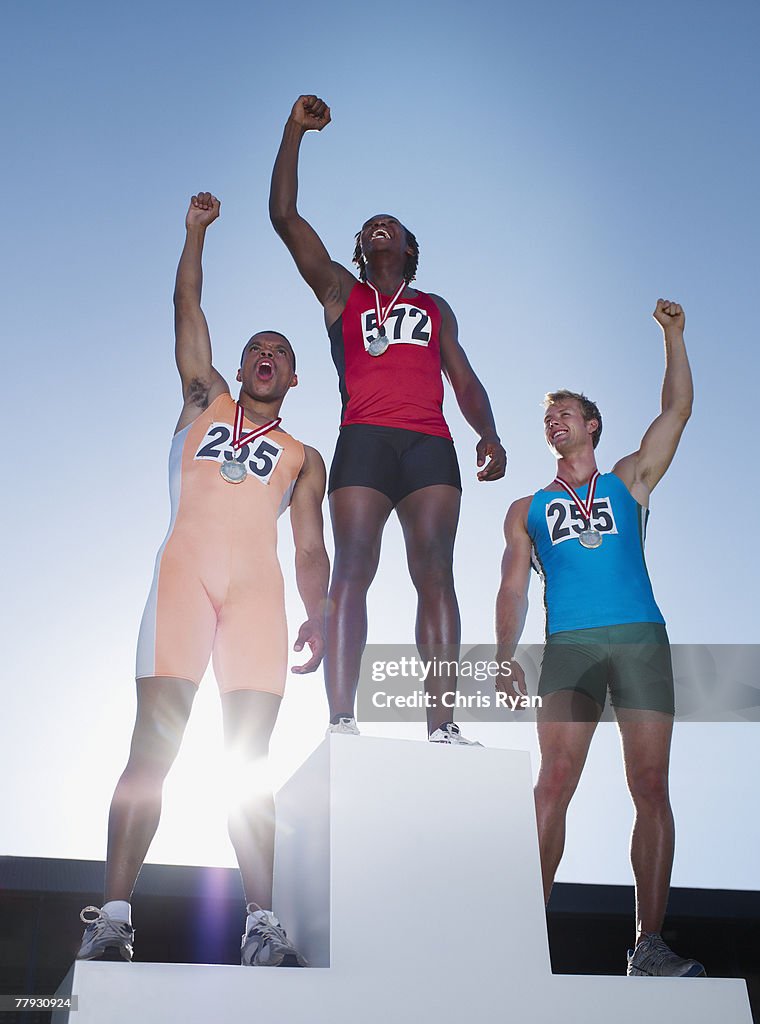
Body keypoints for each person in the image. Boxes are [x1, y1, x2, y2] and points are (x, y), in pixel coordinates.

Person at [76, 192, 329, 968]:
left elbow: (311, 547)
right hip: (184, 583)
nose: (264, 355)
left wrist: (317, 613)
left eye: (278, 351)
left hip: (257, 600)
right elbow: (186, 301)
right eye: (255, 345)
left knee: (248, 765)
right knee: (152, 750)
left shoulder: (304, 456)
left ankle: (259, 923)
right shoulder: (202, 399)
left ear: (293, 376)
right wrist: (194, 234)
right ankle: (113, 915)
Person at [270, 95, 506, 744]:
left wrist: (487, 431)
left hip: (430, 442)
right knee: (352, 567)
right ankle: (342, 721)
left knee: (435, 569)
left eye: (391, 225)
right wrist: (295, 130)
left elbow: (460, 374)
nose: (380, 227)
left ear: (407, 247)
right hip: (365, 439)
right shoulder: (339, 293)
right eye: (370, 224)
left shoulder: (433, 305)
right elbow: (283, 215)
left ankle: (443, 725)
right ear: (359, 247)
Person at [495, 300, 703, 976]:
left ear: (590, 425)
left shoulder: (627, 479)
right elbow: (512, 588)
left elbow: (674, 413)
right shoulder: (525, 507)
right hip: (570, 648)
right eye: (545, 416)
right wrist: (503, 658)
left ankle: (647, 945)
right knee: (553, 781)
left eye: (565, 412)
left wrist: (671, 336)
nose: (553, 420)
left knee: (649, 783)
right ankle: (518, 936)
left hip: (640, 637)